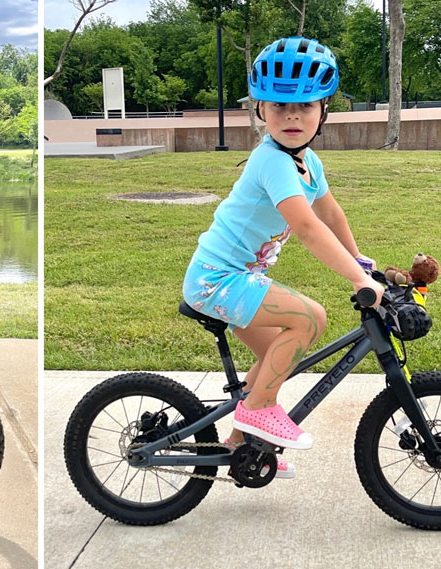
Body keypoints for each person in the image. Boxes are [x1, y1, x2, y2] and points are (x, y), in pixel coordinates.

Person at [182, 36, 383, 478]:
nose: (292, 116)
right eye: (277, 106)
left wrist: (361, 262)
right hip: (217, 279)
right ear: (260, 110)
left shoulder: (308, 162)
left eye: (305, 106)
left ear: (323, 110)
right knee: (310, 319)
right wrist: (357, 281)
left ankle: (241, 447)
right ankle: (256, 414)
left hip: (235, 279)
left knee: (280, 355)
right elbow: (308, 227)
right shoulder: (271, 161)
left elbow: (330, 213)